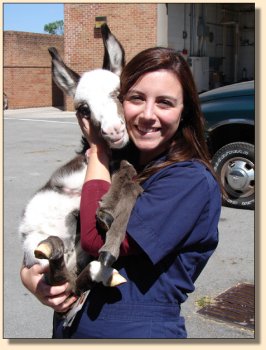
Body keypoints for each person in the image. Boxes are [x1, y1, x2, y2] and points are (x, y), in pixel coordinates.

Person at [20, 47, 222, 339]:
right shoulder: (128, 163)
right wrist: (30, 275)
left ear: (185, 111)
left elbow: (94, 239)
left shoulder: (188, 181)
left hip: (136, 333)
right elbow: (50, 223)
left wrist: (98, 150)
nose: (147, 115)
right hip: (74, 328)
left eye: (165, 103)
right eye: (136, 98)